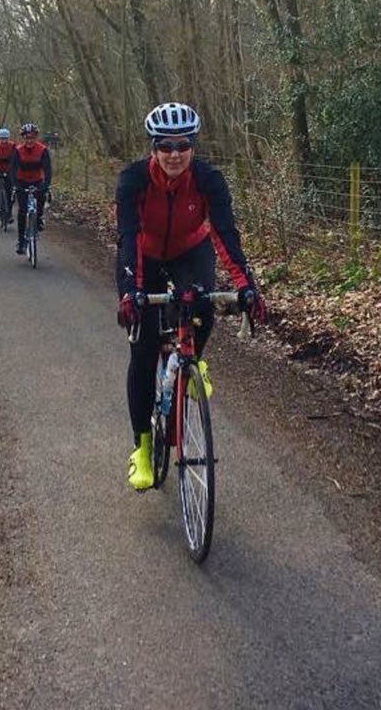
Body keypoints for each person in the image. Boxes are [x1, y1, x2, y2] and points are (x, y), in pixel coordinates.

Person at [115, 101, 267, 491]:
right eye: (165, 146)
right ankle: (143, 449)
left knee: (201, 300)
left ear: (193, 147)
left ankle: (192, 360)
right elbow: (128, 237)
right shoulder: (133, 180)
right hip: (144, 256)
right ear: (153, 148)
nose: (174, 155)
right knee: (144, 349)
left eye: (182, 145)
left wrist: (246, 284)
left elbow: (225, 234)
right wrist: (132, 290)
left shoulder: (208, 179)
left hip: (190, 251)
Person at [10, 122, 52, 255]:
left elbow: (47, 169)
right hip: (22, 182)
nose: (30, 140)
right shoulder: (18, 150)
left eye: (32, 137)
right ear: (24, 138)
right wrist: (15, 184)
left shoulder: (42, 150)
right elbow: (13, 169)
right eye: (27, 138)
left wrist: (46, 185)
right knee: (22, 211)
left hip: (37, 181)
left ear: (36, 137)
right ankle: (21, 241)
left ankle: (38, 218)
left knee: (41, 198)